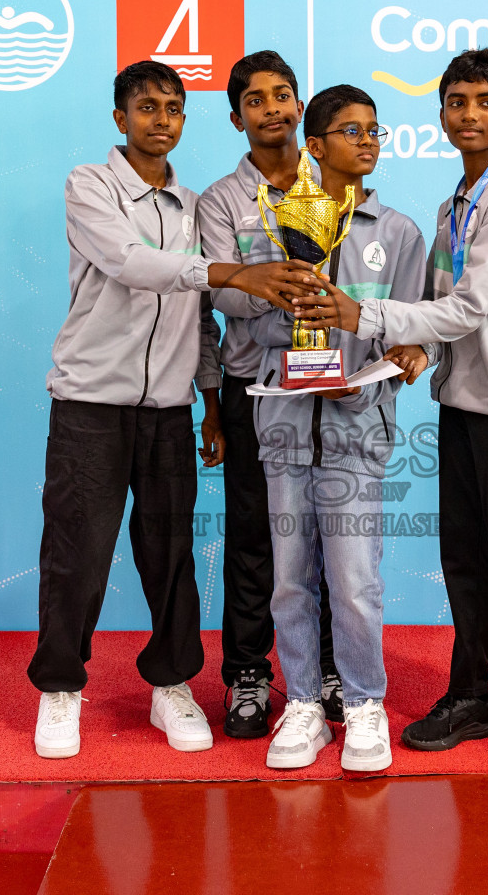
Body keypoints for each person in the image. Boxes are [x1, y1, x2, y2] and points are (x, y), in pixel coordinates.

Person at [30, 60, 322, 760]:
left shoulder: (193, 206)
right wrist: (231, 272)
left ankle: (171, 684)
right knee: (77, 553)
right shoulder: (90, 185)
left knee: (170, 556)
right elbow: (130, 263)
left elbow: (198, 318)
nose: (161, 120)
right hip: (90, 403)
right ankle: (61, 687)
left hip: (168, 409)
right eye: (147, 108)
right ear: (120, 118)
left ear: (186, 121)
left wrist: (210, 403)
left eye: (173, 109)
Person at [290, 49, 488, 765]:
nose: (469, 114)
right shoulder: (455, 205)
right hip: (463, 399)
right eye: (456, 101)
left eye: (486, 102)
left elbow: (469, 306)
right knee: (465, 560)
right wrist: (416, 351)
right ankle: (471, 696)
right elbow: (445, 313)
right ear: (441, 114)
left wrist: (366, 318)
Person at [249, 84, 431, 771]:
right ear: (315, 146)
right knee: (290, 580)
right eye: (352, 131)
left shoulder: (399, 233)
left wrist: (404, 357)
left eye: (374, 131)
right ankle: (302, 703)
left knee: (354, 582)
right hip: (286, 426)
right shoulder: (274, 222)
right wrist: (291, 324)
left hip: (358, 428)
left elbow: (418, 326)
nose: (368, 142)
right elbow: (249, 323)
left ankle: (363, 704)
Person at [197, 51, 341, 740]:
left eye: (282, 95)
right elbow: (220, 292)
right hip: (255, 385)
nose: (272, 109)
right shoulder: (220, 200)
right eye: (255, 100)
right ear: (237, 118)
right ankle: (249, 672)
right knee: (255, 534)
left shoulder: (335, 185)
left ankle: (332, 669)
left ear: (299, 106)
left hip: (327, 384)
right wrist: (276, 285)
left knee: (329, 531)